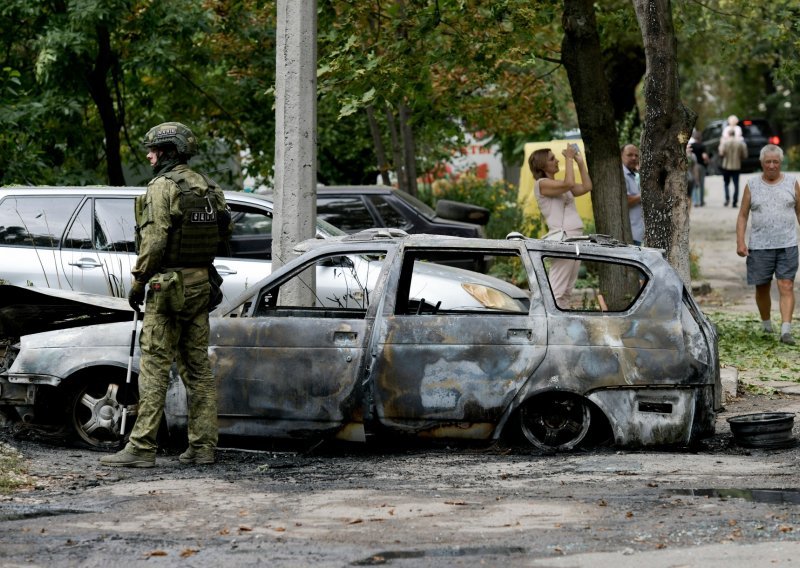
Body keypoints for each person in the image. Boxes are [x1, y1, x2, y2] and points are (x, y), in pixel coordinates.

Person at [101, 122, 232, 468]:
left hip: (167, 289)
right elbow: (224, 232)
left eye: (154, 151)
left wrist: (138, 281)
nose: (149, 156)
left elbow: (155, 240)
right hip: (201, 285)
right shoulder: (207, 187)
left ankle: (142, 448)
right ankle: (203, 447)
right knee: (197, 369)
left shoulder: (162, 187)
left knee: (155, 367)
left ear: (169, 153)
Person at [736, 144, 800, 346]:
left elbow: (799, 211)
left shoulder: (792, 182)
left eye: (776, 162)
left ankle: (786, 330)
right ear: (762, 163)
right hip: (760, 246)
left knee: (786, 285)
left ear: (781, 163)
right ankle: (766, 325)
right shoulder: (752, 184)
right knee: (762, 287)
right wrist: (740, 241)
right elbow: (743, 215)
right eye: (768, 162)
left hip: (787, 244)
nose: (772, 165)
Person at [529, 144, 593, 306]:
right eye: (552, 159)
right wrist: (569, 158)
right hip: (564, 239)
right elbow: (569, 183)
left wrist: (579, 162)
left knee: (567, 289)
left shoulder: (559, 184)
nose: (557, 160)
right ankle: (547, 322)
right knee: (557, 289)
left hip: (575, 238)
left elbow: (586, 187)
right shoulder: (542, 184)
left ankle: (560, 323)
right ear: (542, 165)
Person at [718, 126, 747, 207]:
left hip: (726, 166)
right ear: (734, 134)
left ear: (728, 134)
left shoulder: (725, 143)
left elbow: (721, 154)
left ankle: (727, 199)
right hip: (736, 166)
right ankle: (734, 202)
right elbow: (745, 155)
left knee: (726, 183)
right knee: (736, 184)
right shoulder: (740, 143)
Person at [621, 144, 644, 245]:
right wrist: (644, 195)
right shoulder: (622, 175)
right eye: (629, 155)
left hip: (637, 232)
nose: (634, 158)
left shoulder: (632, 175)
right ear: (621, 156)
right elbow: (625, 200)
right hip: (630, 234)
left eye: (636, 155)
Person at [688, 130, 709, 207]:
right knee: (701, 184)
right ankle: (701, 201)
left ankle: (694, 200)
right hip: (701, 166)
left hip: (692, 166)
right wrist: (707, 161)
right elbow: (704, 156)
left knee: (694, 183)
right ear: (701, 138)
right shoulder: (702, 146)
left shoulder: (691, 146)